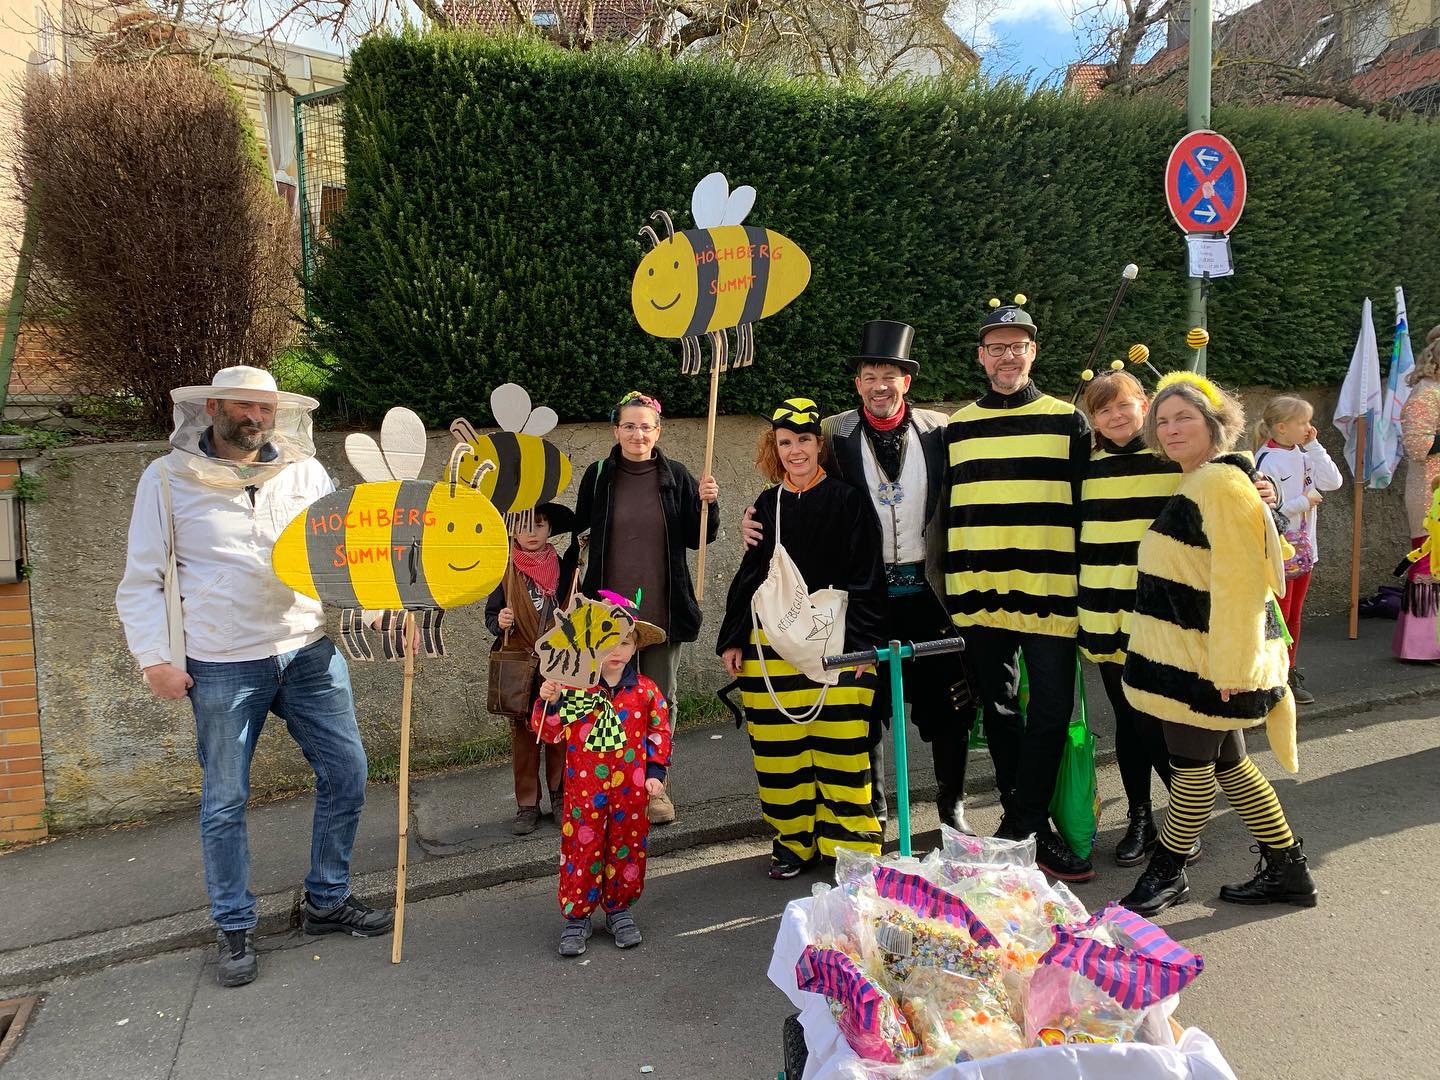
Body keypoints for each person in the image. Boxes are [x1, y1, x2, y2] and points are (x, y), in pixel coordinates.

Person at [115, 366, 392, 990]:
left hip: (306, 648)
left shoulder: (304, 471)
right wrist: (153, 659)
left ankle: (326, 899)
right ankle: (234, 925)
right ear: (213, 407)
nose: (257, 419)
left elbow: (338, 549)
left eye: (266, 409)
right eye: (245, 407)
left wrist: (366, 596)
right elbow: (142, 578)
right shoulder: (164, 481)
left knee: (347, 771)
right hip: (219, 660)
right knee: (225, 799)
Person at [740, 321, 969, 833]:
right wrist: (754, 518)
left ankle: (952, 804)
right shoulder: (834, 434)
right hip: (868, 595)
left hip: (930, 593)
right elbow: (800, 486)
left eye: (890, 374)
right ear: (858, 383)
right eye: (870, 375)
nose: (880, 385)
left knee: (949, 705)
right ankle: (875, 804)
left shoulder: (941, 429)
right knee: (867, 705)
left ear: (907, 380)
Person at [1120, 372, 1315, 917]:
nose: (1171, 428)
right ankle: (1288, 870)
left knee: (1192, 771)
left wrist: (1232, 667)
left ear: (1214, 423)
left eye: (1184, 417)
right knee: (1231, 766)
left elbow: (1241, 584)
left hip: (1204, 665)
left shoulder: (1221, 486)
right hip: (1194, 658)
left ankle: (1167, 872)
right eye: (1162, 420)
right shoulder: (1204, 481)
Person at [943, 298, 1094, 882]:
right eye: (997, 348)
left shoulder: (1068, 419)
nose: (1008, 356)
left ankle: (1027, 823)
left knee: (1050, 710)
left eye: (1019, 346)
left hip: (1052, 589)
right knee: (1000, 711)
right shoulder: (958, 425)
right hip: (979, 590)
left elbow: (1095, 499)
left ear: (1034, 352)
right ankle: (1019, 817)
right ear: (981, 357)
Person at [718, 397, 886, 879]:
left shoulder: (848, 500)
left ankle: (849, 846)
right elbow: (750, 575)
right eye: (785, 442)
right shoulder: (766, 505)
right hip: (770, 650)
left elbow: (867, 574)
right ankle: (792, 841)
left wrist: (864, 645)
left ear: (819, 445)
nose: (795, 451)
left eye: (804, 441)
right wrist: (734, 639)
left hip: (838, 644)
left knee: (842, 750)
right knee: (778, 754)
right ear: (775, 447)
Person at [568, 390, 719, 825]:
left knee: (657, 702)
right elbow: (582, 535)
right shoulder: (599, 476)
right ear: (616, 430)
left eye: (646, 426)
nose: (638, 434)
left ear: (658, 431)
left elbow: (700, 536)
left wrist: (708, 503)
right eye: (629, 426)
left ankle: (655, 790)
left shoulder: (677, 475)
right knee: (603, 699)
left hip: (661, 609)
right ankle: (608, 783)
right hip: (607, 614)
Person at [1077, 370, 1181, 867]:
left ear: (1145, 404)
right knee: (1127, 717)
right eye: (1102, 409)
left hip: (1160, 613)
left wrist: (1259, 480)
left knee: (1161, 719)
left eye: (1124, 405)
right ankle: (1141, 815)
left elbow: (1232, 475)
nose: (1115, 416)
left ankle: (1184, 819)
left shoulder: (1174, 460)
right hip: (1103, 608)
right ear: (1093, 420)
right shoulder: (1085, 468)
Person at [533, 602, 671, 957]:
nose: (616, 650)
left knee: (627, 847)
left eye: (625, 642)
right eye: (609, 641)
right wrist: (548, 701)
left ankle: (619, 909)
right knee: (583, 850)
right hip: (584, 792)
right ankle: (577, 916)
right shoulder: (575, 689)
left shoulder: (645, 691)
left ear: (636, 647)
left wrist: (656, 773)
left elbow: (658, 732)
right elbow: (548, 732)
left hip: (630, 791)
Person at [484, 502, 576, 835]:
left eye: (538, 525)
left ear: (550, 529)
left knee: (559, 729)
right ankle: (526, 805)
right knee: (524, 737)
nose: (531, 533)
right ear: (512, 532)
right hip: (520, 664)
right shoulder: (503, 570)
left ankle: (561, 796)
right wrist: (500, 621)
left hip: (557, 663)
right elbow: (491, 617)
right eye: (523, 527)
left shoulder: (567, 568)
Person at [1253, 396, 1343, 704]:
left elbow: (1333, 481)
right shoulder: (1267, 460)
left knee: (1294, 616)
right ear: (1281, 427)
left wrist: (1315, 447)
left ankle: (1289, 672)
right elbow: (1267, 510)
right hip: (1280, 553)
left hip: (1305, 551)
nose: (1309, 427)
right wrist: (1305, 502)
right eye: (1303, 422)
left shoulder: (1303, 453)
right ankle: (1272, 679)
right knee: (1278, 617)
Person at [1396, 325, 1440, 662]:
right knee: (1429, 562)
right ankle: (1422, 646)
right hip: (1431, 492)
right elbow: (1418, 446)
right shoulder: (1426, 393)